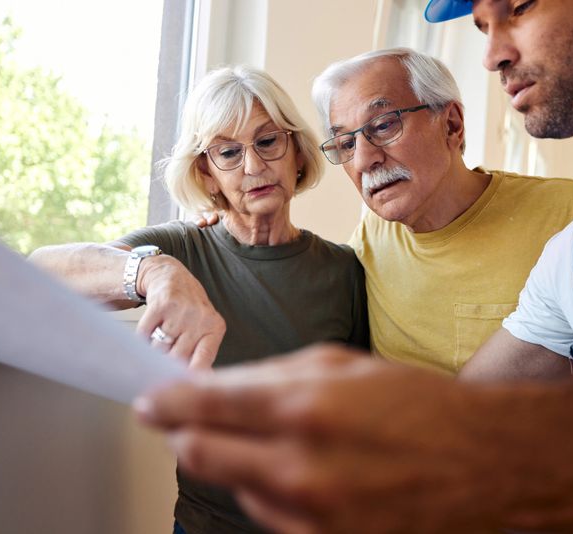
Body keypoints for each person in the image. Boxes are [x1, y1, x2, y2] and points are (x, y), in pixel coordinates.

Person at [135, 0, 573, 531]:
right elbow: (455, 411)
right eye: (482, 25)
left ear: (452, 126)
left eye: (520, 6)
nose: (492, 54)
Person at [30, 65, 368, 534]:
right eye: (229, 153)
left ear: (295, 152)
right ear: (207, 174)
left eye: (268, 142)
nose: (253, 167)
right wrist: (153, 271)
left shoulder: (343, 270)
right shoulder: (180, 248)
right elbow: (43, 272)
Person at [313, 47, 573, 373]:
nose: (364, 160)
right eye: (346, 144)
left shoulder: (572, 214)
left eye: (382, 125)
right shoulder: (370, 240)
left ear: (451, 125)